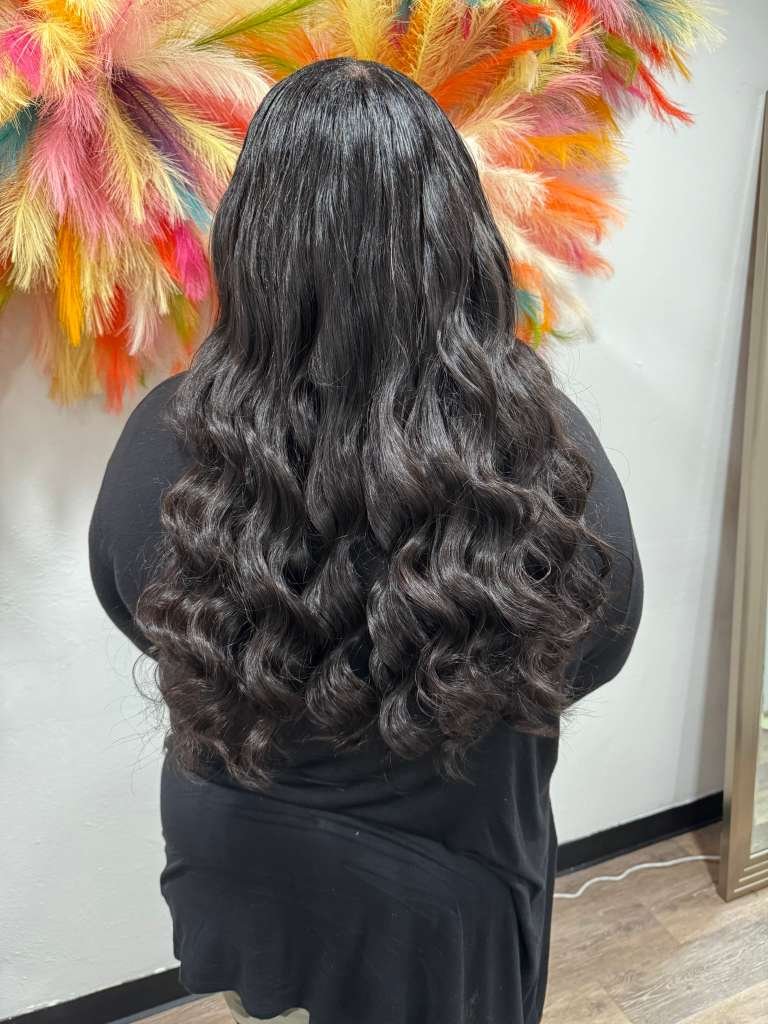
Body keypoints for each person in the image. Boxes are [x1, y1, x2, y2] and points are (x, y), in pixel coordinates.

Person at [89, 57, 643, 1024]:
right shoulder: (543, 447)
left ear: (253, 239)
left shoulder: (164, 439)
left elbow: (133, 601)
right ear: (458, 236)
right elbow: (600, 636)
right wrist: (434, 695)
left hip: (242, 844)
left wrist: (296, 681)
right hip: (446, 882)